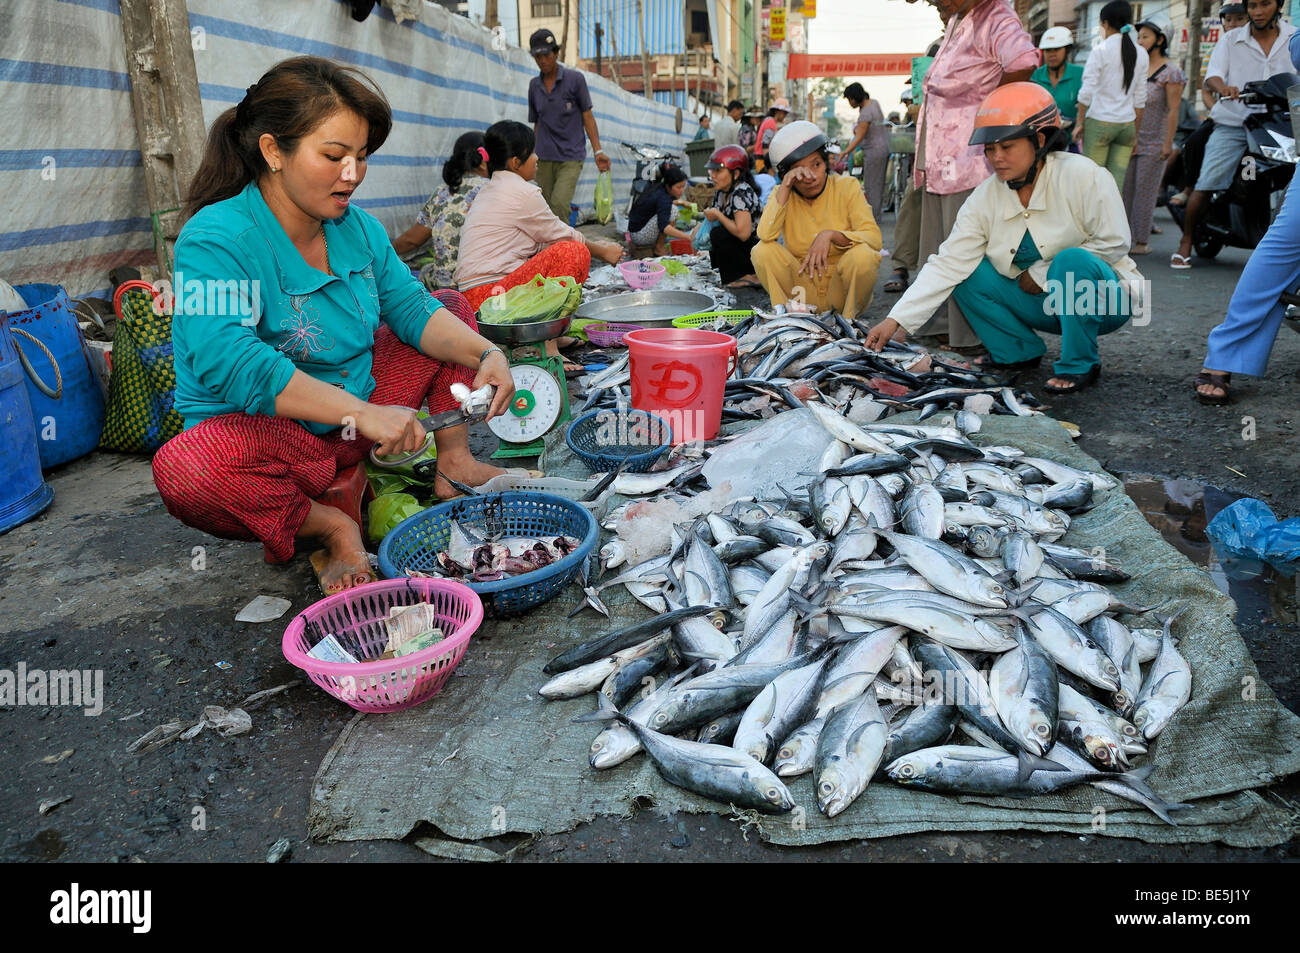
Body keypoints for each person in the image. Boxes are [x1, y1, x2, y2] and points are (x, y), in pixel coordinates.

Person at [152, 57, 516, 594]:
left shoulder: (357, 229)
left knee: (451, 310)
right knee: (188, 468)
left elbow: (414, 312)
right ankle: (328, 526)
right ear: (273, 151)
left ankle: (454, 464)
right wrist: (364, 413)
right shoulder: (215, 238)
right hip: (272, 442)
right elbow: (231, 364)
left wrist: (487, 353)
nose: (353, 174)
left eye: (361, 157)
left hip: (355, 422)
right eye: (334, 156)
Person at [865, 84, 1141, 395]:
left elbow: (1114, 242)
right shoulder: (986, 195)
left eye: (1006, 147)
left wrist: (1041, 272)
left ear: (1038, 140)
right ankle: (1017, 352)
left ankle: (1081, 363)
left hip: (1106, 300)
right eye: (990, 149)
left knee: (1072, 261)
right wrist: (897, 319)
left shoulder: (1084, 175)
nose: (996, 158)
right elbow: (948, 263)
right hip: (1046, 306)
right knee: (966, 271)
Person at [913, 0, 1039, 351]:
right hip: (941, 152)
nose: (939, 4)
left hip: (968, 152)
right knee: (938, 241)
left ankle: (971, 335)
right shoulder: (960, 17)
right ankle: (938, 325)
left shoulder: (995, 15)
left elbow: (1023, 60)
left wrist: (991, 108)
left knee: (963, 243)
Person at [455, 121, 623, 369]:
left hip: (478, 299)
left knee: (556, 253)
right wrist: (604, 250)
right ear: (515, 162)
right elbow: (564, 236)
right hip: (491, 299)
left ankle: (552, 336)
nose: (537, 158)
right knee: (572, 253)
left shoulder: (491, 188)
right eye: (532, 153)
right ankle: (546, 346)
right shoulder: (523, 193)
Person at [1192, 26, 1300, 403]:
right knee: (1285, 242)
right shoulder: (1235, 38)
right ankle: (1225, 355)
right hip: (1236, 120)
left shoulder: (1285, 30)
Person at [1174, 0, 1295, 268]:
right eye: (1253, 5)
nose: (1258, 11)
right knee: (1208, 181)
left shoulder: (1293, 37)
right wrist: (1223, 87)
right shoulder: (1230, 40)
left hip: (1280, 122)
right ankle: (1185, 240)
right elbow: (1212, 76)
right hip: (1235, 121)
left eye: (1265, 4)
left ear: (1279, 5)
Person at [751, 120, 883, 317]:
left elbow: (874, 239)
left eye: (816, 164)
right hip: (801, 291)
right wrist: (785, 187)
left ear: (826, 163)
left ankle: (848, 324)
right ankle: (786, 319)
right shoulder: (782, 193)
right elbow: (764, 234)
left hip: (841, 292)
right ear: (787, 174)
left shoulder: (847, 186)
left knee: (863, 255)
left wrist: (831, 236)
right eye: (799, 170)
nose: (811, 176)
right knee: (762, 251)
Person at [527, 28, 612, 221]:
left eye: (546, 55)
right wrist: (531, 155)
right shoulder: (534, 86)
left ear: (556, 53)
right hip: (544, 157)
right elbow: (537, 124)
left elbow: (587, 116)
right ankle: (552, 249)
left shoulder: (575, 80)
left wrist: (598, 151)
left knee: (559, 203)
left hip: (570, 156)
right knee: (545, 208)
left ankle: (566, 249)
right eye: (537, 56)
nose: (542, 60)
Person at [1170, 4, 1249, 209]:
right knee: (1195, 142)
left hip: (1259, 119)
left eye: (1239, 19)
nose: (1233, 24)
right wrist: (1218, 109)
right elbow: (1206, 90)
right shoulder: (1215, 52)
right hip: (1225, 117)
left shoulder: (1260, 48)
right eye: (1228, 19)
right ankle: (1190, 188)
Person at [392, 131, 488, 290]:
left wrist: (384, 251)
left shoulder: (442, 192)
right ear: (486, 161)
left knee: (426, 271)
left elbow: (412, 240)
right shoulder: (494, 189)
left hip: (446, 287)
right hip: (483, 283)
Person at [1122, 15, 1185, 254]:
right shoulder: (1135, 67)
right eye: (1138, 36)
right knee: (1124, 191)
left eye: (1145, 36)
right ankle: (1122, 239)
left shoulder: (1171, 73)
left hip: (1155, 142)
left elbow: (1173, 110)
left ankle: (1141, 241)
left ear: (1160, 39)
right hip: (1131, 138)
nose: (1140, 40)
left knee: (1145, 193)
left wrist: (1167, 143)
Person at [1076, 1, 1148, 194]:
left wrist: (1079, 122)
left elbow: (1086, 93)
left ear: (1105, 24)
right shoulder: (1141, 53)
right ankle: (1112, 223)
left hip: (1100, 123)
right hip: (1127, 126)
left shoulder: (1100, 51)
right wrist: (1135, 135)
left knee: (1091, 185)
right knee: (1115, 188)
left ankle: (1091, 225)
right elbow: (1140, 100)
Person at [703, 144, 761, 287]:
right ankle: (731, 275)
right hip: (740, 246)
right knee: (715, 233)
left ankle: (747, 276)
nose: (713, 176)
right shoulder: (721, 192)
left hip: (755, 248)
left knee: (719, 233)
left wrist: (718, 215)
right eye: (712, 171)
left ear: (735, 174)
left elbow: (744, 234)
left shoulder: (741, 193)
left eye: (718, 171)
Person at [840, 82, 891, 216]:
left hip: (874, 152)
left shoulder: (865, 114)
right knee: (878, 184)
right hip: (883, 148)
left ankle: (872, 218)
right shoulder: (874, 103)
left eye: (849, 99)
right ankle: (876, 215)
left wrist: (845, 152)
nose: (849, 103)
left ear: (854, 98)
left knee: (871, 185)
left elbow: (858, 137)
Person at [1031, 27, 1084, 146]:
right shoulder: (1035, 77)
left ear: (1067, 50)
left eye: (1057, 49)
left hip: (1071, 141)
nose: (1052, 54)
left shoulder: (1080, 74)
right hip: (1041, 142)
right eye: (1048, 50)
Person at [627, 161, 693, 256]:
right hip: (640, 236)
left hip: (634, 232)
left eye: (683, 187)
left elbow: (659, 205)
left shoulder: (658, 188)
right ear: (669, 186)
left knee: (672, 208)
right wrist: (688, 237)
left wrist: (681, 202)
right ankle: (659, 247)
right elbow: (665, 227)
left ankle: (657, 246)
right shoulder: (663, 198)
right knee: (674, 211)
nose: (682, 191)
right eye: (678, 187)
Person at [753, 98, 792, 172]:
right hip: (762, 160)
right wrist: (769, 166)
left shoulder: (769, 121)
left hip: (761, 159)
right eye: (785, 113)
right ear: (778, 112)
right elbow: (765, 144)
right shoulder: (770, 123)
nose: (785, 116)